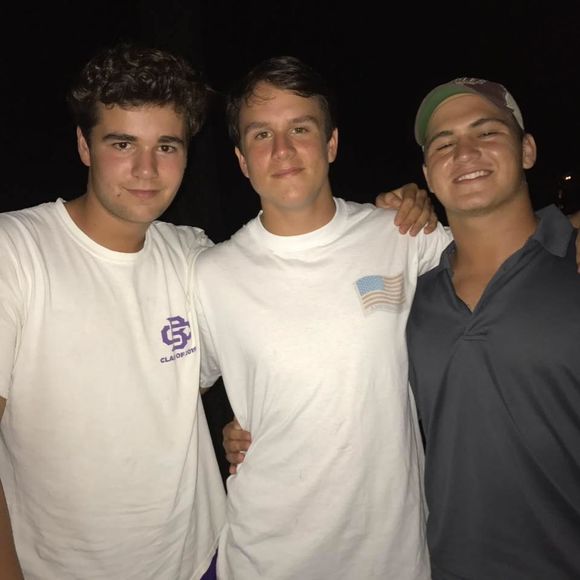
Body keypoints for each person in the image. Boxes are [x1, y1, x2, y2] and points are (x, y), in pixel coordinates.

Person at [192, 55, 452, 580]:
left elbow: (494, 276)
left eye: (300, 129)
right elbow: (168, 395)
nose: (282, 150)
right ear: (242, 160)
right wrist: (224, 432)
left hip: (391, 556)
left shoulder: (401, 235)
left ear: (331, 143)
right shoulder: (211, 274)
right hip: (265, 557)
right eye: (261, 134)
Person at [0, 42, 226, 580]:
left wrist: (393, 213)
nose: (146, 169)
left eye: (166, 146)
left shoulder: (195, 254)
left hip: (205, 558)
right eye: (122, 143)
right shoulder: (16, 252)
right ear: (84, 145)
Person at [406, 77, 580, 579]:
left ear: (527, 150)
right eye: (444, 143)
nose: (464, 153)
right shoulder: (413, 298)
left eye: (486, 133)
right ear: (427, 174)